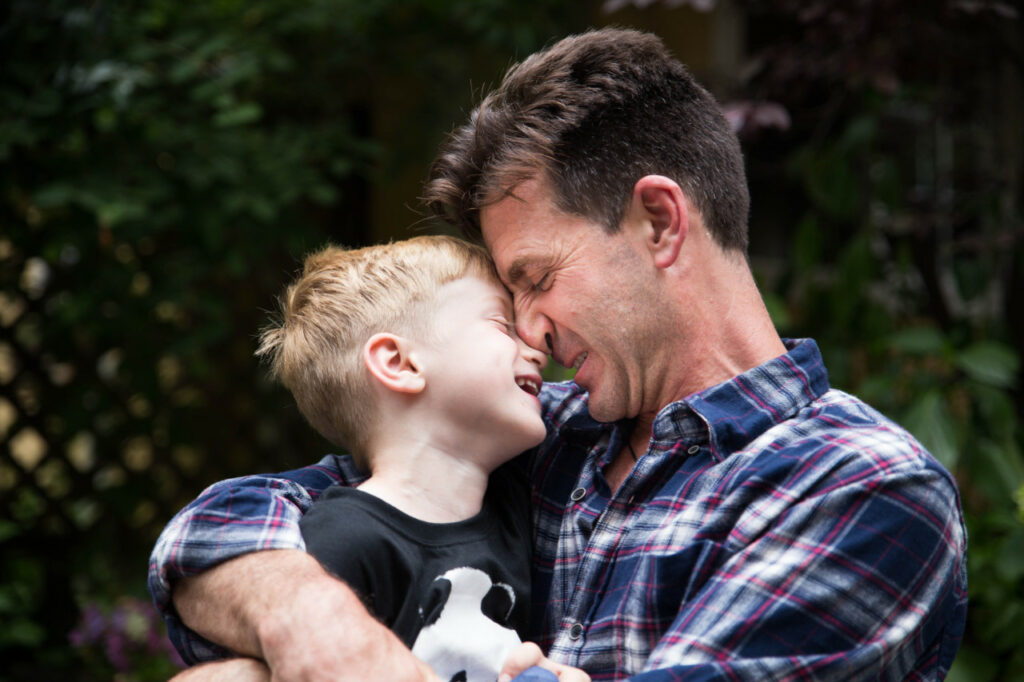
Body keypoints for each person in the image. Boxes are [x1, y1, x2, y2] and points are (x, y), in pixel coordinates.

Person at [149, 28, 968, 681]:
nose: (530, 331)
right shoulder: (536, 435)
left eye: (536, 279)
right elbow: (212, 534)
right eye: (509, 305)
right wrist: (317, 625)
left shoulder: (859, 488)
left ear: (658, 222)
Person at [155, 236, 586, 682]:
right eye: (502, 324)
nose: (535, 346)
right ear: (399, 363)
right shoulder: (339, 539)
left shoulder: (517, 507)